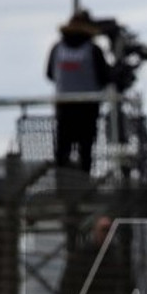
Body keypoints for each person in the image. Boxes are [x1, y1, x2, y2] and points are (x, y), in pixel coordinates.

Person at [45, 9, 111, 174]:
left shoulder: (57, 49)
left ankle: (61, 184)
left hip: (64, 106)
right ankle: (84, 184)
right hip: (88, 108)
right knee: (86, 150)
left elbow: (50, 74)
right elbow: (104, 77)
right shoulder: (93, 50)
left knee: (62, 149)